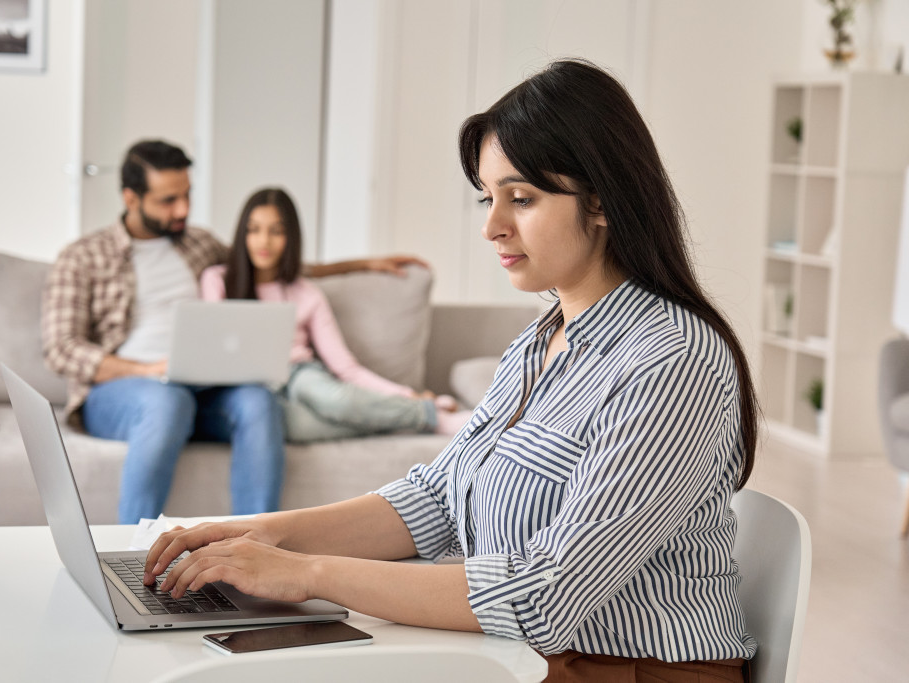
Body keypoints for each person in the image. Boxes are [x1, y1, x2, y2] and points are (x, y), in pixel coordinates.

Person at [141, 60, 759, 682]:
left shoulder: (674, 358)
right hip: (523, 656)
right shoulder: (538, 343)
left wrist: (306, 574)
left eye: (522, 199)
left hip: (630, 670)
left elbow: (546, 596)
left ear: (601, 200)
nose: (492, 226)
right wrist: (261, 535)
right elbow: (436, 499)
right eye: (489, 199)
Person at [42, 139, 424, 525]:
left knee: (259, 402)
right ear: (131, 198)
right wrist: (147, 370)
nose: (183, 210)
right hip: (126, 391)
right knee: (166, 402)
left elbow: (267, 263)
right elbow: (60, 349)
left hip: (202, 387)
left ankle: (253, 553)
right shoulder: (83, 257)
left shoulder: (197, 244)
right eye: (168, 200)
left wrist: (361, 264)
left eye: (187, 195)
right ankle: (131, 553)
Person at [199, 187, 471, 442]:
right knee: (290, 425)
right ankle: (418, 415)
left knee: (336, 401)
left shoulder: (307, 294)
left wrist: (406, 394)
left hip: (298, 374)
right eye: (254, 230)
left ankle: (431, 417)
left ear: (290, 238)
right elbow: (215, 351)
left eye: (276, 231)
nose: (263, 241)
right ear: (241, 234)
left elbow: (346, 368)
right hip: (251, 388)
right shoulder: (217, 280)